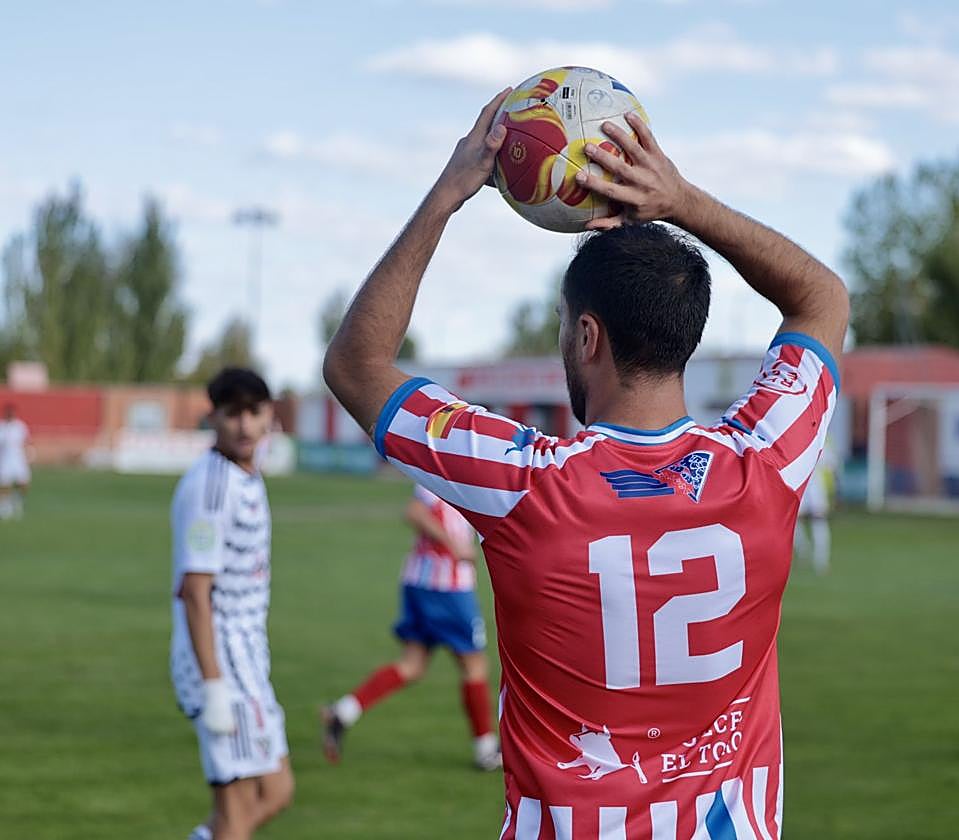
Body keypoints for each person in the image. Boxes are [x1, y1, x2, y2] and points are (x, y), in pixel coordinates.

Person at [322, 89, 848, 837]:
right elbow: (821, 298)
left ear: (589, 338)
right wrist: (681, 199)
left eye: (565, 327)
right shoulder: (768, 462)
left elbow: (356, 362)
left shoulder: (524, 483)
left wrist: (447, 194)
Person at [170, 369, 293, 840]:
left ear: (269, 417)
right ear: (213, 418)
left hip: (246, 659)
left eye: (254, 412)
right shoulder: (212, 486)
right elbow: (195, 592)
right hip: (220, 660)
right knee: (236, 814)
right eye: (232, 414)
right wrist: (214, 685)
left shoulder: (245, 475)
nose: (244, 425)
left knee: (276, 791)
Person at [321, 484, 501, 771]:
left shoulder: (452, 467)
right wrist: (453, 544)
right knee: (474, 666)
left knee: (412, 665)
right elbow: (415, 511)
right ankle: (485, 749)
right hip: (446, 588)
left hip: (419, 581)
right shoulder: (444, 471)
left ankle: (343, 712)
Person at [794, 440, 839, 574]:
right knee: (793, 522)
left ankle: (821, 560)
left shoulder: (823, 440)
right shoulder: (799, 438)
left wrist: (835, 492)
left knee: (819, 522)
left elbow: (832, 468)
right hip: (801, 486)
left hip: (816, 490)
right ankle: (803, 552)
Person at [0, 403, 31, 520]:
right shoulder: (1, 427)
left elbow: (26, 441)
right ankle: (4, 507)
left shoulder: (20, 426)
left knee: (24, 483)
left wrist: (29, 453)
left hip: (19, 460)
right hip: (5, 460)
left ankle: (17, 502)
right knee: (5, 485)